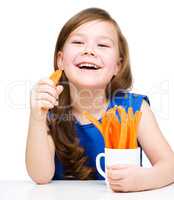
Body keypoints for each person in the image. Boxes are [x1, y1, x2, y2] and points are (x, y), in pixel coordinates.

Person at [25, 7, 174, 192]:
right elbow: (40, 176)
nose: (89, 51)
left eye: (102, 45)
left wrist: (143, 179)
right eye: (78, 42)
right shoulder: (50, 110)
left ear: (118, 66)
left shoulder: (135, 108)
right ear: (60, 60)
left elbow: (170, 166)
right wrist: (37, 116)